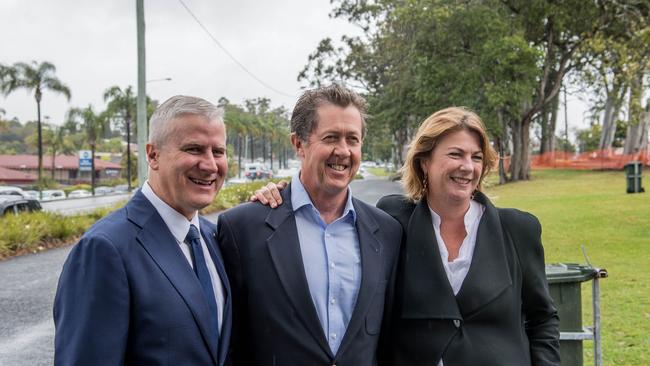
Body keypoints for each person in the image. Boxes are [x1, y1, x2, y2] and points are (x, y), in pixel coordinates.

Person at [253, 107, 560, 365]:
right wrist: (282, 193)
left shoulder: (519, 230)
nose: (467, 167)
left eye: (476, 157)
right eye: (455, 154)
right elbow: (329, 208)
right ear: (424, 161)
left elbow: (542, 319)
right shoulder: (393, 220)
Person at [217, 84, 401, 365]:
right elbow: (232, 343)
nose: (343, 151)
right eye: (331, 138)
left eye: (352, 139)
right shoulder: (243, 228)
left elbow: (388, 341)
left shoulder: (387, 232)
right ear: (299, 144)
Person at [54, 95, 232, 366]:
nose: (210, 165)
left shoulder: (214, 237)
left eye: (218, 151)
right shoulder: (104, 248)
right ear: (153, 155)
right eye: (194, 149)